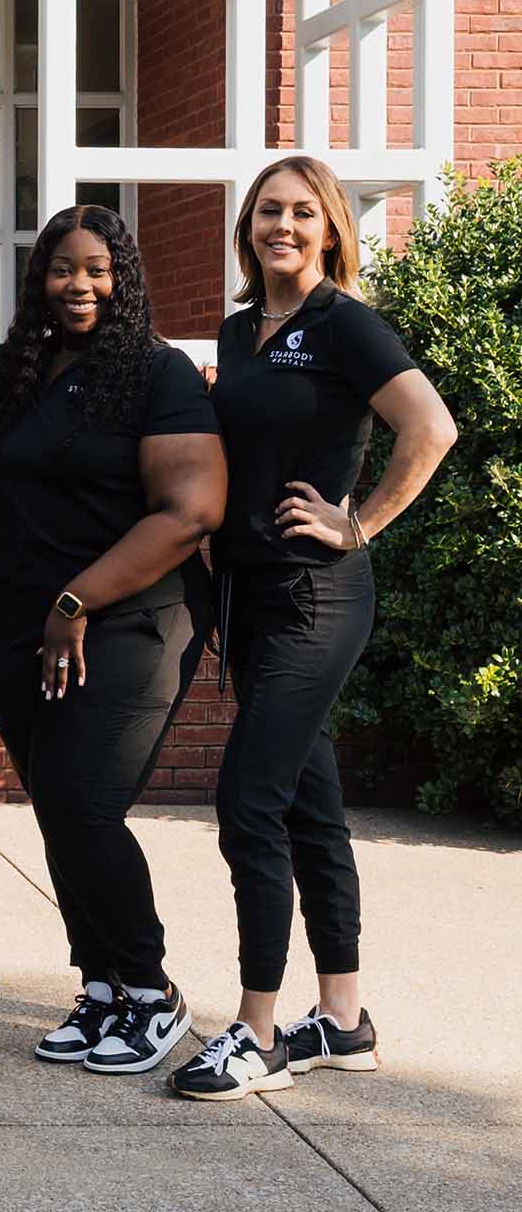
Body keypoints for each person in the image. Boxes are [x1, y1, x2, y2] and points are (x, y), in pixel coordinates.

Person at [172, 156, 456, 1101]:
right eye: (266, 211)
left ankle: (256, 1031)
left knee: (247, 799)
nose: (280, 225)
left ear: (331, 227)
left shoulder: (346, 323)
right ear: (248, 226)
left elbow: (432, 427)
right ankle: (342, 1019)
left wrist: (358, 521)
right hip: (250, 597)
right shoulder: (242, 328)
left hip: (317, 594)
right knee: (306, 803)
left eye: (301, 212)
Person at [0, 205, 227, 1074]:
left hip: (128, 619)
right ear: (39, 278)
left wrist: (76, 602)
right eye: (60, 269)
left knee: (84, 801)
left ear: (125, 278)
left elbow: (192, 512)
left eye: (96, 269)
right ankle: (103, 986)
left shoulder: (162, 377)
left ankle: (151, 991)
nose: (77, 286)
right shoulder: (15, 373)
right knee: (55, 805)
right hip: (20, 622)